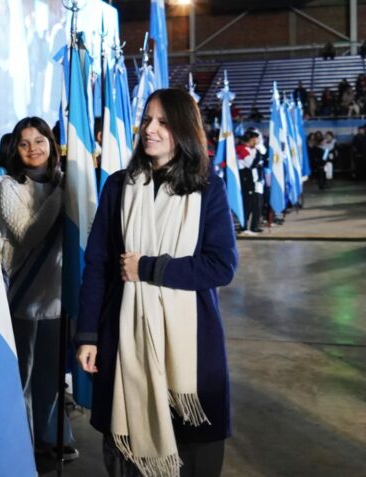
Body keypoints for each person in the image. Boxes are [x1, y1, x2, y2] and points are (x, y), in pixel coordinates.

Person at [76, 88, 238, 477]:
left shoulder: (207, 188)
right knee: (127, 447)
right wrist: (88, 335)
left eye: (163, 122)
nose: (150, 129)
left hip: (191, 344)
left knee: (193, 450)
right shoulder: (118, 186)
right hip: (123, 335)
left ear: (184, 129)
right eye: (147, 119)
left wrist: (148, 268)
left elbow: (220, 266)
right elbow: (97, 265)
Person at [0, 116, 78, 461]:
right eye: (24, 143)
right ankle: (21, 445)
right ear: (16, 149)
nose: (33, 149)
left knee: (52, 378)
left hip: (57, 297)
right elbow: (28, 236)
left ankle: (52, 435)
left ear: (50, 144)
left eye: (39, 141)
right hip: (21, 298)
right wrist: (61, 195)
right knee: (22, 379)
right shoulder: (8, 186)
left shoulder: (66, 183)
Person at [236, 128, 265, 233]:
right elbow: (251, 164)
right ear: (251, 139)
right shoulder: (242, 150)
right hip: (248, 182)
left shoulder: (254, 150)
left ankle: (254, 225)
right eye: (255, 139)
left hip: (257, 181)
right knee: (248, 205)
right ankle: (244, 225)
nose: (257, 141)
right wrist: (259, 155)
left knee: (258, 204)